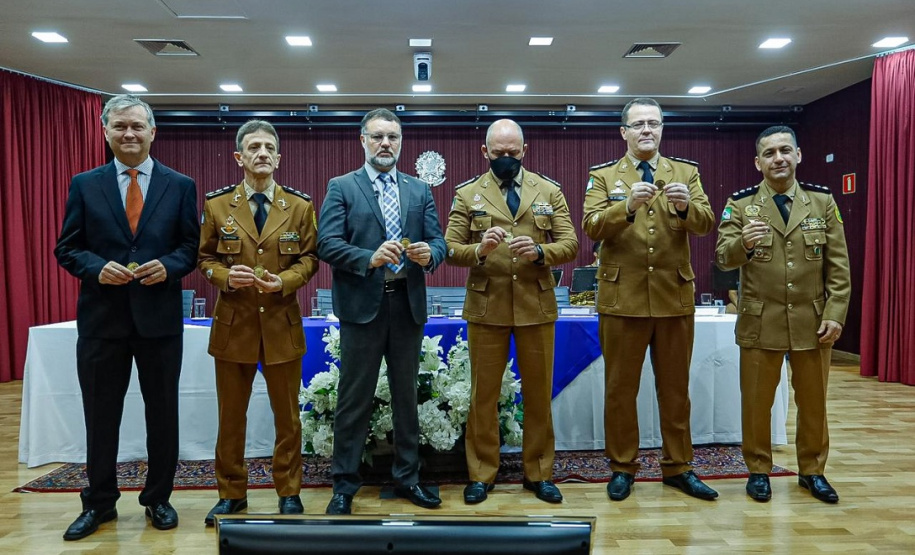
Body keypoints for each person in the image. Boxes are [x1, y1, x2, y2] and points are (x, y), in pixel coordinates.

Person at [54, 95, 199, 540]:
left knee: (162, 413)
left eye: (138, 126)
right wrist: (97, 267)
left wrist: (170, 266)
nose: (130, 134)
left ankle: (158, 498)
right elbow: (67, 248)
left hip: (159, 322)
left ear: (153, 132)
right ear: (106, 132)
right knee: (100, 416)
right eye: (120, 127)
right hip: (102, 323)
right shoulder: (85, 184)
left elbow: (191, 248)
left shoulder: (180, 185)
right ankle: (99, 504)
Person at [582, 97, 717, 502]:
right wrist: (625, 207)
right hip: (622, 299)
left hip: (673, 297)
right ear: (623, 132)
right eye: (638, 123)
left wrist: (684, 206)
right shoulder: (603, 176)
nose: (647, 130)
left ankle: (679, 466)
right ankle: (623, 466)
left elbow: (708, 222)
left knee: (676, 390)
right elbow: (590, 226)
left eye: (654, 123)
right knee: (620, 390)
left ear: (662, 129)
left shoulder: (686, 173)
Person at [317, 108, 447, 515]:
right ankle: (344, 485)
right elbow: (326, 244)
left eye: (392, 136)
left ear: (401, 141)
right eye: (377, 136)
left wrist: (429, 256)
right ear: (363, 141)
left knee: (407, 397)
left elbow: (438, 242)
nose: (385, 143)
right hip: (362, 309)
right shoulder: (341, 186)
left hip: (407, 306)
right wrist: (367, 258)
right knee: (354, 399)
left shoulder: (418, 190)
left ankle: (408, 478)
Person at [444, 119, 579, 505]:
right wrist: (478, 251)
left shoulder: (548, 191)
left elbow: (569, 243)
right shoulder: (468, 194)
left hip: (536, 305)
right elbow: (450, 247)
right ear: (484, 152)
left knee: (538, 395)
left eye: (513, 152)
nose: (507, 158)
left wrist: (541, 252)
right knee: (483, 396)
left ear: (524, 150)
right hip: (487, 307)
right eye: (499, 153)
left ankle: (539, 473)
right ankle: (481, 473)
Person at [715, 125, 850, 503]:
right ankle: (759, 469)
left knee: (813, 402)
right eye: (770, 153)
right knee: (757, 402)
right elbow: (723, 256)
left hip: (812, 320)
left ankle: (812, 471)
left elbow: (838, 267)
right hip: (761, 319)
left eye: (785, 151)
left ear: (798, 155)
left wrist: (836, 313)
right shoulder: (741, 205)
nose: (779, 158)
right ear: (758, 162)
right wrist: (742, 243)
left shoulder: (821, 202)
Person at [197, 120, 319, 525]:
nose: (262, 153)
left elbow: (310, 259)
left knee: (288, 417)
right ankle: (232, 493)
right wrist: (223, 276)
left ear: (279, 158)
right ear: (239, 157)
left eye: (269, 147)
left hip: (282, 324)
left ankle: (288, 490)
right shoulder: (217, 206)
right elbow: (204, 259)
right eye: (254, 147)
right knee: (231, 417)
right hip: (234, 326)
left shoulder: (299, 206)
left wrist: (283, 281)